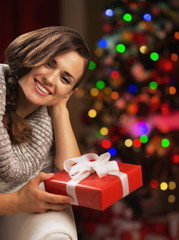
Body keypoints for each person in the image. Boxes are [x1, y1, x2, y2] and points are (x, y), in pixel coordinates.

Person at [0, 26, 90, 215]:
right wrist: (16, 202)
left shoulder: (42, 130)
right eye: (49, 63)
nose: (50, 79)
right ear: (32, 54)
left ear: (71, 93)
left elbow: (74, 175)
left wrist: (60, 107)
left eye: (65, 79)